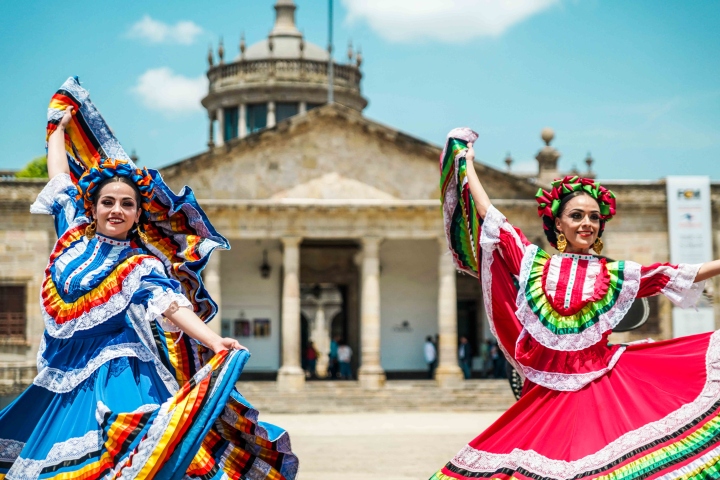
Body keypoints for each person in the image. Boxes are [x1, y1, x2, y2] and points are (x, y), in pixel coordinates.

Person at [0, 78, 298, 479]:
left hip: (121, 372)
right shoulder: (71, 231)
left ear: (139, 214)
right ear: (94, 206)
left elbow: (172, 306)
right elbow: (59, 179)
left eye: (127, 204)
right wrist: (59, 130)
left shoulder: (141, 263)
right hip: (66, 375)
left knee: (127, 454)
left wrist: (213, 341)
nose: (117, 210)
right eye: (108, 202)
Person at [431, 127, 720, 479]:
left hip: (601, 391)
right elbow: (492, 217)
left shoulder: (614, 275)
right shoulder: (533, 264)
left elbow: (675, 274)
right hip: (547, 399)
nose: (587, 224)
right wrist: (468, 165)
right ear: (558, 223)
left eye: (595, 217)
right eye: (577, 215)